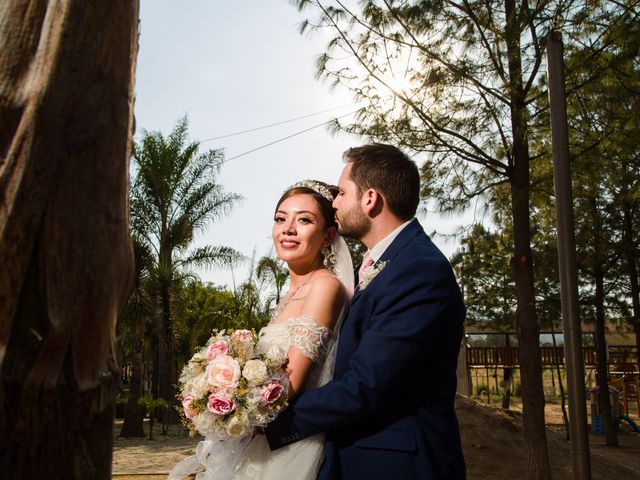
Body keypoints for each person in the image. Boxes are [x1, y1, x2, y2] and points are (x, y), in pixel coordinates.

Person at [265, 144, 466, 479]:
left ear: (370, 199)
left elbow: (366, 385)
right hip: (357, 457)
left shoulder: (419, 270)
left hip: (398, 466)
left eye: (342, 193)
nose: (335, 202)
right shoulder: (384, 264)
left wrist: (267, 420)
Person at [231, 180, 354, 479]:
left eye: (304, 220)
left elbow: (291, 383)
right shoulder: (290, 293)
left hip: (293, 444)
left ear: (328, 236)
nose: (288, 229)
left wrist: (230, 398)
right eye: (280, 218)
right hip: (263, 437)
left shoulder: (325, 286)